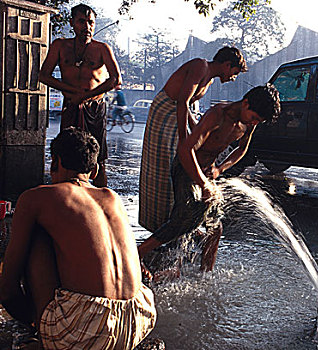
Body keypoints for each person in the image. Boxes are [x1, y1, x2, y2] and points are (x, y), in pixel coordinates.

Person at [0, 127, 156, 349]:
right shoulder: (112, 198)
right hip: (138, 321)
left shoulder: (38, 197)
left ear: (55, 162)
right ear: (94, 171)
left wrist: (35, 322)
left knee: (36, 232)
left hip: (84, 331)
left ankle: (45, 333)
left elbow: (7, 290)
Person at [138, 84, 281, 273]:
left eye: (259, 122)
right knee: (185, 217)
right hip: (186, 167)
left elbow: (242, 149)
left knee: (215, 229)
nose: (254, 123)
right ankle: (138, 253)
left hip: (207, 172)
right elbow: (185, 150)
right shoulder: (218, 114)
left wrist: (220, 169)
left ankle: (205, 273)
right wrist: (203, 184)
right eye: (254, 118)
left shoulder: (248, 124)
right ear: (245, 103)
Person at [139, 47, 247, 233]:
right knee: (164, 165)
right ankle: (158, 225)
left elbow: (186, 105)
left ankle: (173, 222)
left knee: (177, 164)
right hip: (164, 112)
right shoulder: (201, 66)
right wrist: (184, 138)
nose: (233, 77)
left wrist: (196, 126)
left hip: (178, 113)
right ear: (227, 65)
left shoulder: (210, 80)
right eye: (234, 73)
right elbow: (182, 101)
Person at [39, 3, 122, 188]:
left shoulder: (102, 48)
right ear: (72, 23)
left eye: (91, 22)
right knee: (65, 154)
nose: (87, 27)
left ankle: (101, 200)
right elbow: (43, 76)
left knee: (97, 157)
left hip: (94, 108)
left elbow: (116, 79)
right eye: (82, 21)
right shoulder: (60, 45)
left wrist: (85, 96)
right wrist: (71, 92)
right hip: (71, 105)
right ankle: (66, 198)